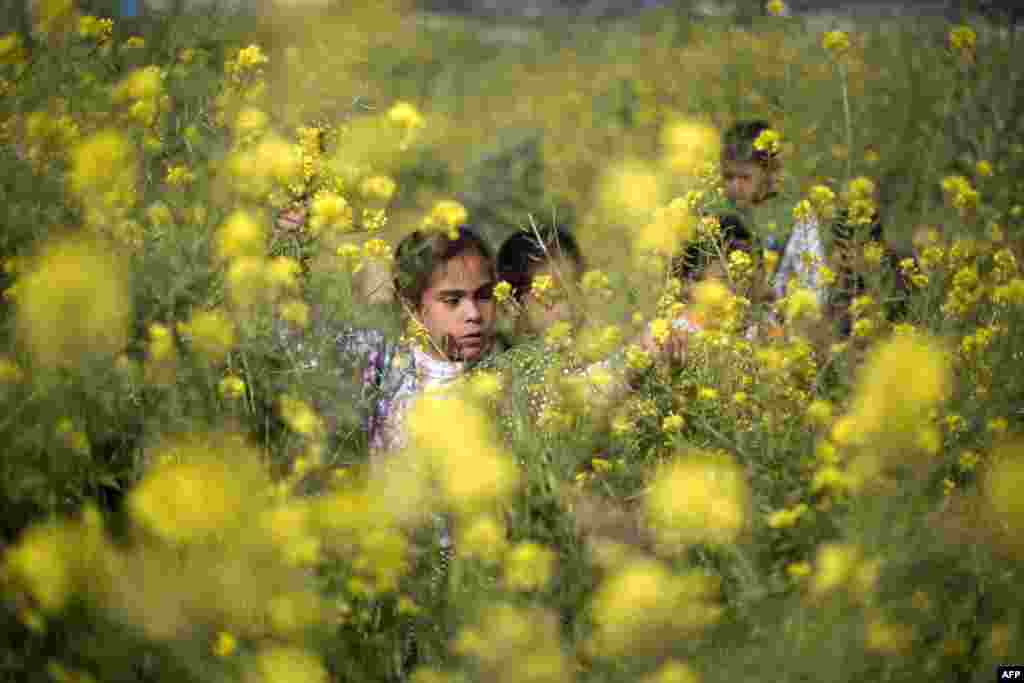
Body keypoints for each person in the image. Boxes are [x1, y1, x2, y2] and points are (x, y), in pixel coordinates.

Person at [718, 120, 828, 307]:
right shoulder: (717, 216)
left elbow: (815, 290)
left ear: (769, 171)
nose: (735, 186)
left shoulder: (797, 216)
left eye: (745, 177)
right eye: (728, 177)